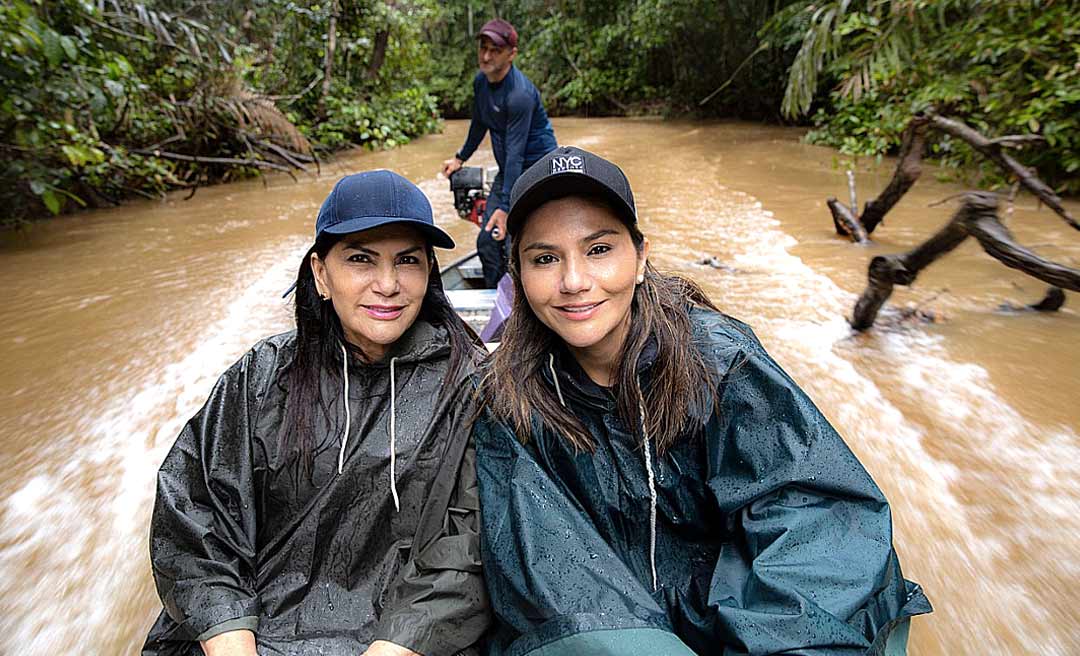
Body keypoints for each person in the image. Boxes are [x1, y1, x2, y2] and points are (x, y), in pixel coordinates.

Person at [472, 147, 932, 655]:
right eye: (544, 259)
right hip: (614, 625)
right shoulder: (512, 397)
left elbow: (814, 514)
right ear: (517, 274)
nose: (575, 281)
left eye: (599, 249)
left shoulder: (719, 362)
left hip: (731, 613)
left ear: (641, 256)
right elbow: (546, 566)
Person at [143, 171, 490, 656]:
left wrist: (396, 646)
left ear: (430, 272)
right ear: (321, 275)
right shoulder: (262, 375)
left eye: (407, 260)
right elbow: (196, 514)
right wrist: (230, 638)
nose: (387, 284)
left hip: (402, 642)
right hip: (248, 632)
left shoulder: (471, 386)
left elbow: (468, 545)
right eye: (360, 260)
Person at [441, 17, 558, 288]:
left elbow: (516, 152)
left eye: (495, 50)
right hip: (510, 170)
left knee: (514, 239)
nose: (485, 55)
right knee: (487, 241)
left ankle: (526, 297)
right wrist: (460, 158)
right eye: (483, 47)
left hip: (537, 170)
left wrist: (505, 208)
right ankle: (499, 297)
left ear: (511, 54)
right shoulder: (481, 83)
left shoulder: (520, 95)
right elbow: (479, 123)